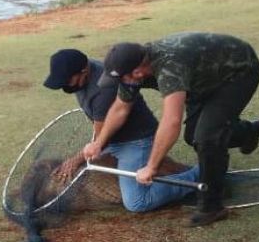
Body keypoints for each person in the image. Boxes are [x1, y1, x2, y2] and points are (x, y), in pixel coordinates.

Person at [81, 33, 259, 227]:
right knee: (193, 137)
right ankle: (248, 132)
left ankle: (211, 206)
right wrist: (99, 143)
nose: (120, 84)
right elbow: (121, 108)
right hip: (201, 79)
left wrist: (151, 167)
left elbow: (171, 121)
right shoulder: (134, 72)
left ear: (137, 72)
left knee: (206, 138)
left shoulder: (169, 67)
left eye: (121, 79)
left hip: (237, 72)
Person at [43, 49, 200, 213]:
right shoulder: (84, 73)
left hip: (136, 141)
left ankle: (200, 174)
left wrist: (75, 160)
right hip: (112, 138)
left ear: (84, 70)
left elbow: (101, 139)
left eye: (68, 80)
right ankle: (160, 167)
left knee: (137, 202)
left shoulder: (102, 91)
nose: (65, 85)